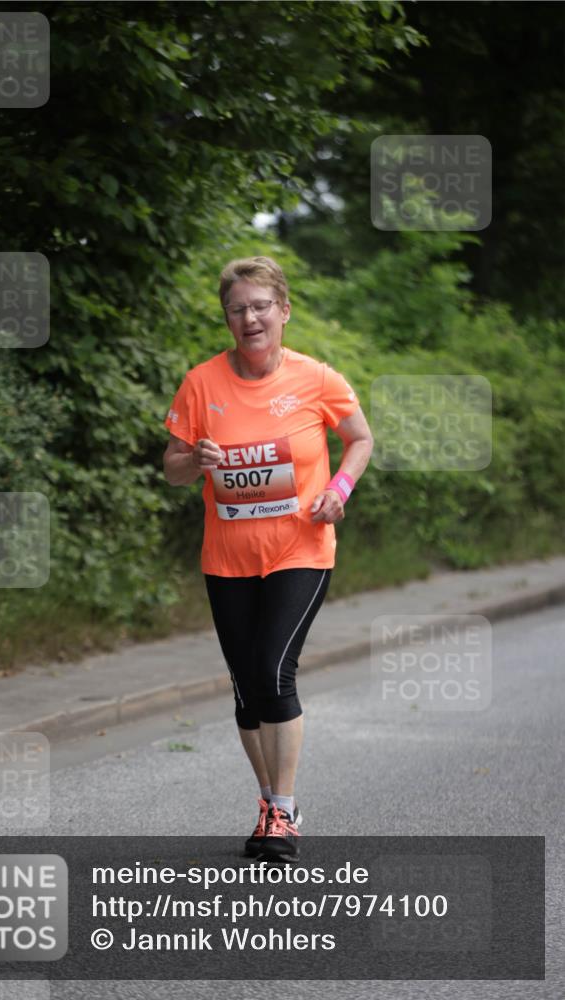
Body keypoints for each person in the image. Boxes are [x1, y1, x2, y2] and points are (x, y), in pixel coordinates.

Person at [163, 256, 373, 861]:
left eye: (260, 306)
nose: (249, 317)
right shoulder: (201, 383)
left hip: (300, 549)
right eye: (237, 309)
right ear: (226, 318)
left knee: (274, 669)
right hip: (226, 558)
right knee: (246, 687)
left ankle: (284, 812)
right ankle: (266, 800)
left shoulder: (318, 378)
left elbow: (359, 439)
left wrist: (338, 490)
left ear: (283, 310)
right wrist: (194, 461)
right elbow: (173, 469)